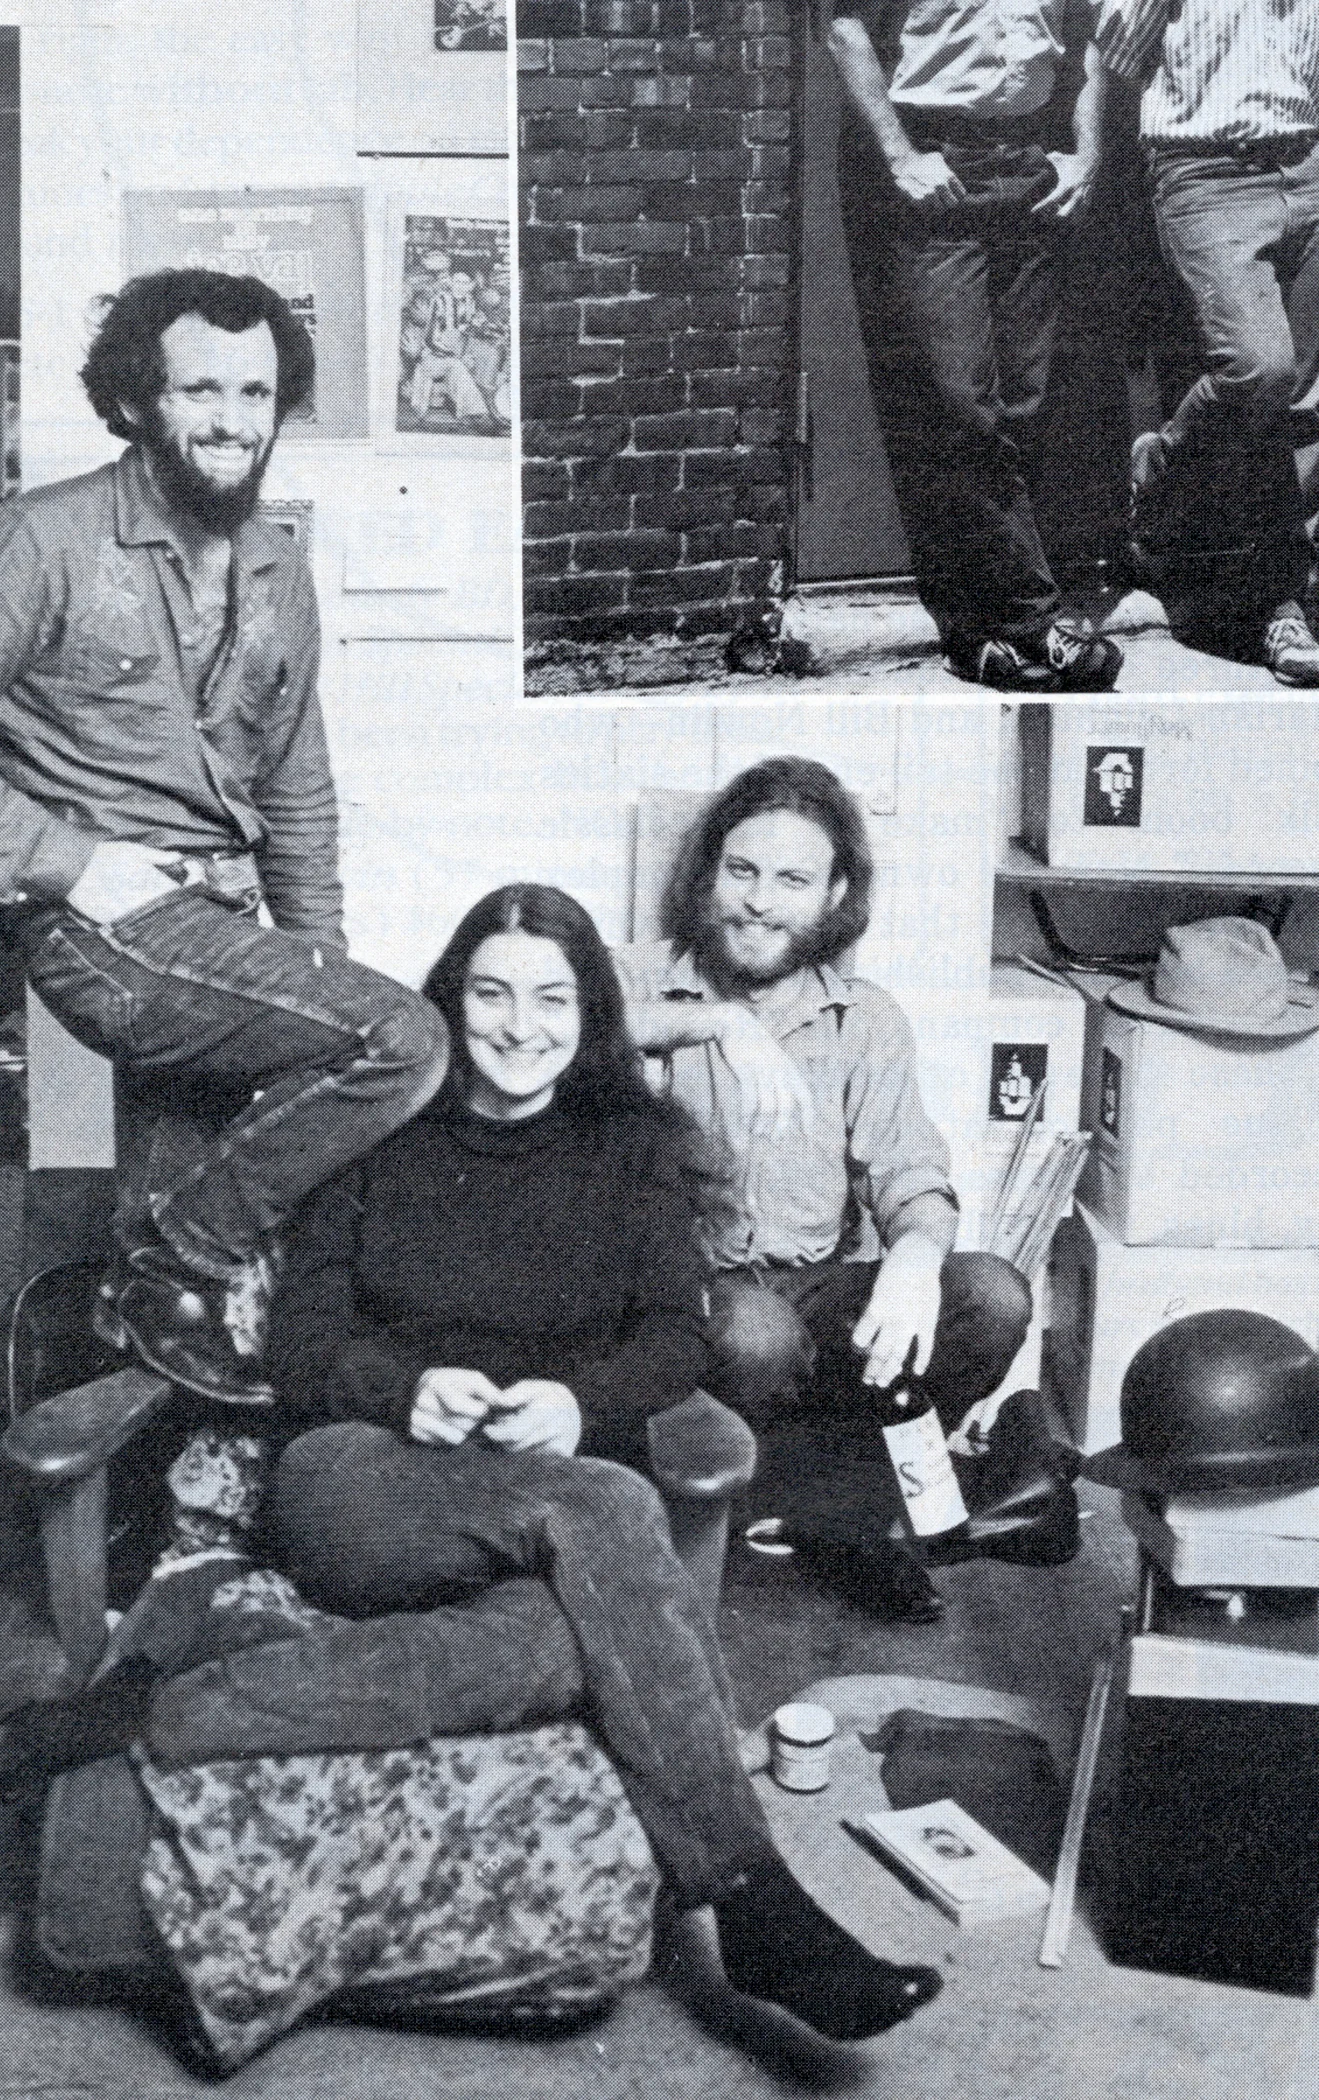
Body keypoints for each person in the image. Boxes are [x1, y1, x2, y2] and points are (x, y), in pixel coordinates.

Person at [0, 883, 943, 2047]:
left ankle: (156, 1710)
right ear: (451, 1002)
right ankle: (754, 1901)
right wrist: (406, 1391)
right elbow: (299, 1346)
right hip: (361, 1482)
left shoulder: (633, 1149)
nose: (520, 1026)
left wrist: (575, 1401)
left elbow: (677, 1340)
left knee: (576, 1641)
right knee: (608, 1505)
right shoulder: (377, 1133)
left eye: (551, 999)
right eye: (491, 994)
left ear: (591, 1016)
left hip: (537, 1515)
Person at [0, 271, 447, 1398]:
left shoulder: (276, 565)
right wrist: (72, 864)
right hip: (104, 925)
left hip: (222, 922)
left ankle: (117, 1356)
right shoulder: (39, 540)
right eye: (201, 390)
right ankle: (160, 1271)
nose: (234, 420)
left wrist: (309, 961)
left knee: (186, 1216)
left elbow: (295, 784)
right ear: (135, 401)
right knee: (404, 1042)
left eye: (255, 393)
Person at [614, 759, 1032, 1617]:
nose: (759, 902)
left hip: (816, 1286)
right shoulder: (635, 978)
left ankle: (845, 1512)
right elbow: (560, 1027)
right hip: (686, 1296)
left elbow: (910, 1173)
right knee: (754, 1333)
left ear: (834, 894)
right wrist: (715, 1023)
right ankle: (752, 1518)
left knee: (992, 1296)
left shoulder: (864, 1018)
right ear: (708, 874)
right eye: (741, 871)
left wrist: (913, 1261)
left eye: (791, 880)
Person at [829, 0, 1124, 690]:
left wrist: (1087, 153)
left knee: (1025, 403)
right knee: (960, 405)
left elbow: (1088, 42)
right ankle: (1031, 619)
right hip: (937, 163)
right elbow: (845, 30)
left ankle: (975, 631)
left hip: (1029, 164)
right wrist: (899, 154)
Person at [1102, 0, 1319, 684]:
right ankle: (1166, 478)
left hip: (1307, 164)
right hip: (1205, 171)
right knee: (1258, 371)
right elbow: (1115, 52)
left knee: (1297, 391)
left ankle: (1283, 598)